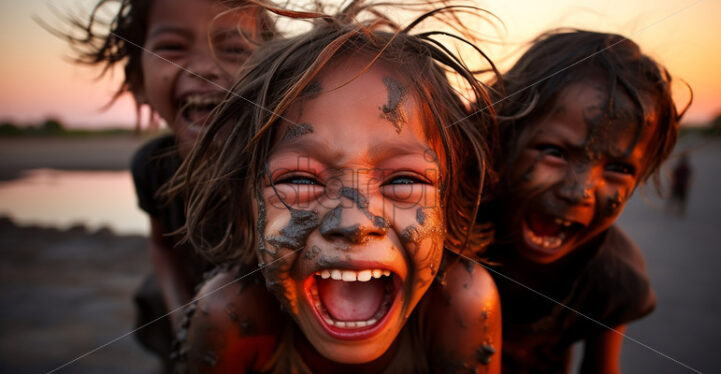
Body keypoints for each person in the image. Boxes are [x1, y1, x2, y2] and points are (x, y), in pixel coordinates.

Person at [170, 2, 503, 372]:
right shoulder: (230, 315)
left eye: (404, 180)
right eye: (299, 179)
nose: (354, 222)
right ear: (245, 210)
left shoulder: (459, 305)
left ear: (449, 208)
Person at [59, 0, 274, 370]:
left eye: (235, 48)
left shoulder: (284, 164)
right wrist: (181, 320)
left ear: (276, 72)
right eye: (172, 47)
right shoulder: (153, 167)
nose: (205, 68)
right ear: (138, 83)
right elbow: (162, 246)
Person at [480, 29, 690, 374]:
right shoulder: (452, 237)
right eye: (555, 152)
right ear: (499, 136)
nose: (579, 192)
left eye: (618, 168)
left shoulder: (613, 279)